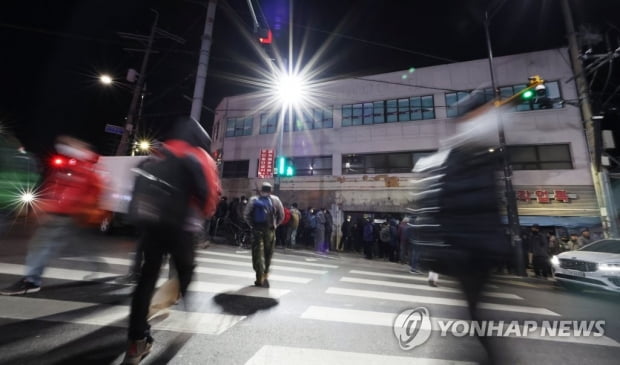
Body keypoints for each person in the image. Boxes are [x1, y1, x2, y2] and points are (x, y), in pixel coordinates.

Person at [122, 117, 220, 365]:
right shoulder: (196, 156)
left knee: (146, 280)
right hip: (180, 228)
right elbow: (207, 193)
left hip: (151, 226)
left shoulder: (159, 153)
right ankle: (189, 314)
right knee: (185, 271)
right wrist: (202, 217)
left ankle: (137, 342)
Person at [1, 136, 102, 295]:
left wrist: (52, 207)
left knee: (41, 246)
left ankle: (31, 281)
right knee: (71, 245)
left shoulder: (82, 167)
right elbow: (54, 186)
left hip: (63, 214)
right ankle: (96, 265)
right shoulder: (71, 164)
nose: (61, 146)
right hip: (65, 214)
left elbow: (76, 192)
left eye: (66, 144)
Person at [244, 182, 284, 287]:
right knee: (268, 253)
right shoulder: (276, 200)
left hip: (257, 230)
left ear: (261, 190)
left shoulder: (253, 200)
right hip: (270, 230)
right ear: (270, 190)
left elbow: (246, 215)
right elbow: (281, 215)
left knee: (257, 254)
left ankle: (259, 278)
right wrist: (275, 225)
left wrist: (252, 225)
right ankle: (266, 273)